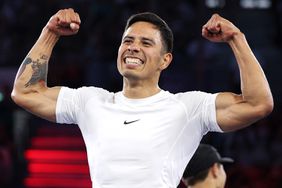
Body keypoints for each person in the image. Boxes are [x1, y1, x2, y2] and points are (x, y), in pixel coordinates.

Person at [11, 8, 273, 188]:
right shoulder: (90, 101)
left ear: (165, 60)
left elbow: (257, 103)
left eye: (146, 43)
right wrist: (50, 32)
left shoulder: (188, 107)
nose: (133, 47)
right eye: (127, 40)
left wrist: (236, 38)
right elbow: (25, 92)